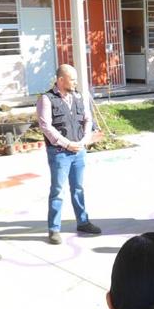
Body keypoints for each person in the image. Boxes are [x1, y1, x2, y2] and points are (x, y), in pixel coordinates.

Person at [37, 64, 102, 245]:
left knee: (78, 188)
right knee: (57, 190)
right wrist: (67, 144)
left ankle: (83, 222)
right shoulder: (46, 99)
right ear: (61, 80)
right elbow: (46, 126)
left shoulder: (79, 96)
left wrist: (85, 139)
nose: (75, 82)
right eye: (72, 79)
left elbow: (88, 118)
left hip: (79, 151)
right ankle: (54, 229)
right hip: (59, 153)